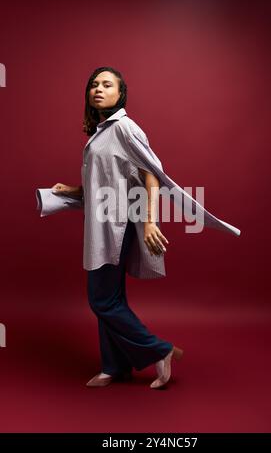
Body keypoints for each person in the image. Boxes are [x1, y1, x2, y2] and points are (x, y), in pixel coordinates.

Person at [52, 66, 183, 389]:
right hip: (99, 224)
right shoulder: (101, 130)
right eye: (93, 84)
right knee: (112, 299)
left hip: (116, 226)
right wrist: (72, 190)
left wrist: (150, 220)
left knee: (102, 300)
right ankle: (115, 366)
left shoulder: (125, 128)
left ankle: (160, 350)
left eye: (106, 84)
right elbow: (107, 180)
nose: (98, 88)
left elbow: (151, 174)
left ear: (120, 93)